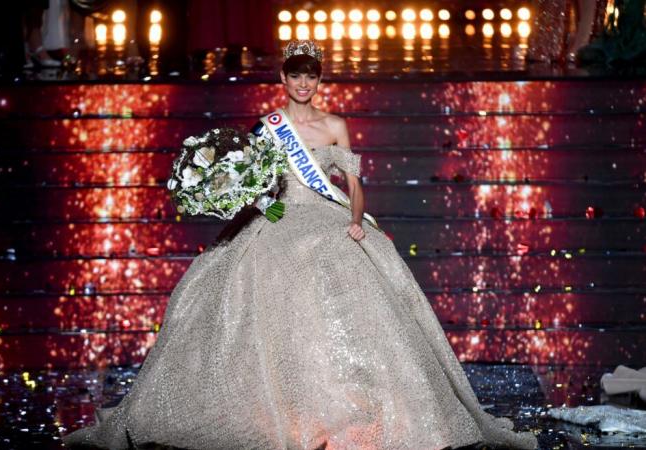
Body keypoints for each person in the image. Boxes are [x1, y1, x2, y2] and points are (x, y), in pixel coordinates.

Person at [61, 40, 539, 449]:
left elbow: (352, 184)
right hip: (278, 213)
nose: (303, 84)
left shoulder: (334, 125)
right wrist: (251, 203)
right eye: (296, 75)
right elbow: (249, 181)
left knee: (342, 256)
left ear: (318, 79)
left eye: (310, 76)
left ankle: (359, 405)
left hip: (327, 214)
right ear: (284, 78)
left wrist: (355, 221)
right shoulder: (267, 126)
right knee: (245, 267)